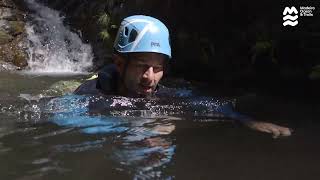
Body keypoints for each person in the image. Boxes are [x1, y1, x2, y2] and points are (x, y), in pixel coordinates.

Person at [74, 15, 292, 138]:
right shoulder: (90, 94)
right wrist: (140, 127)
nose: (150, 77)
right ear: (120, 64)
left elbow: (209, 106)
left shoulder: (164, 94)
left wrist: (248, 122)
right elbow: (70, 121)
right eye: (142, 66)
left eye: (157, 68)